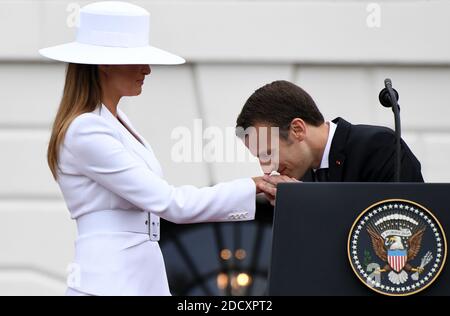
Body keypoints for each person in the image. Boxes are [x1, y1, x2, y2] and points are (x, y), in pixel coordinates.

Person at [39, 1, 276, 296]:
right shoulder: (87, 130)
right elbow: (171, 203)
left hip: (134, 277)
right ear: (105, 63)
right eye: (136, 59)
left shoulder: (113, 122)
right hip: (109, 282)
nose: (147, 69)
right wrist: (255, 184)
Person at [236, 80, 424, 204]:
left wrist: (307, 201)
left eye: (268, 153)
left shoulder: (378, 146)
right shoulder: (298, 178)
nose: (266, 170)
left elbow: (397, 225)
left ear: (298, 129)